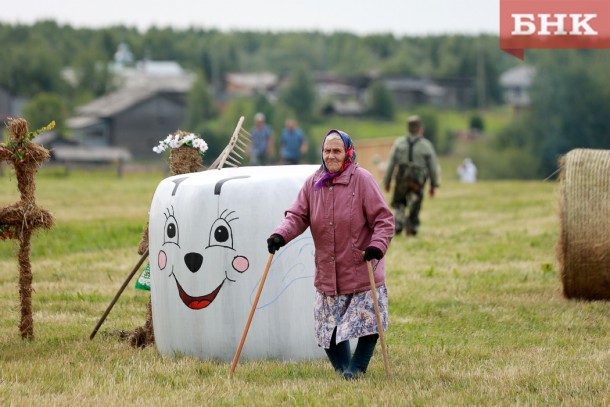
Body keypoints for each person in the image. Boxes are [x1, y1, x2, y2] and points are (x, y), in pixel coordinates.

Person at [266, 129, 394, 380]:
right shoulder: (313, 183)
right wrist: (280, 234)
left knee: (368, 323)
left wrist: (377, 246)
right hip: (328, 272)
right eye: (327, 151)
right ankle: (345, 370)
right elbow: (297, 216)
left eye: (337, 151)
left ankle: (356, 369)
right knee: (327, 331)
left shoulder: (363, 180)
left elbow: (384, 220)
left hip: (361, 265)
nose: (331, 155)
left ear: (348, 152)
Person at [383, 115, 440, 236]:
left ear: (408, 128)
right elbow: (432, 167)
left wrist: (387, 182)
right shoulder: (426, 145)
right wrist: (433, 185)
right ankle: (412, 227)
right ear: (420, 129)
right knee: (415, 202)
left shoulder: (399, 143)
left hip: (401, 176)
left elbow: (391, 164)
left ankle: (398, 223)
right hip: (417, 178)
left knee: (399, 202)